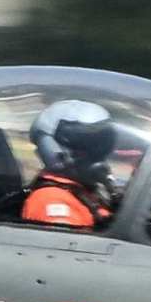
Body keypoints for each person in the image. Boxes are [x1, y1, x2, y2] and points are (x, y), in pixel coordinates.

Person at [19, 98, 124, 230]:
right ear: (51, 149)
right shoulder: (51, 200)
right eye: (85, 146)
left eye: (101, 145)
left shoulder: (86, 192)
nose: (96, 153)